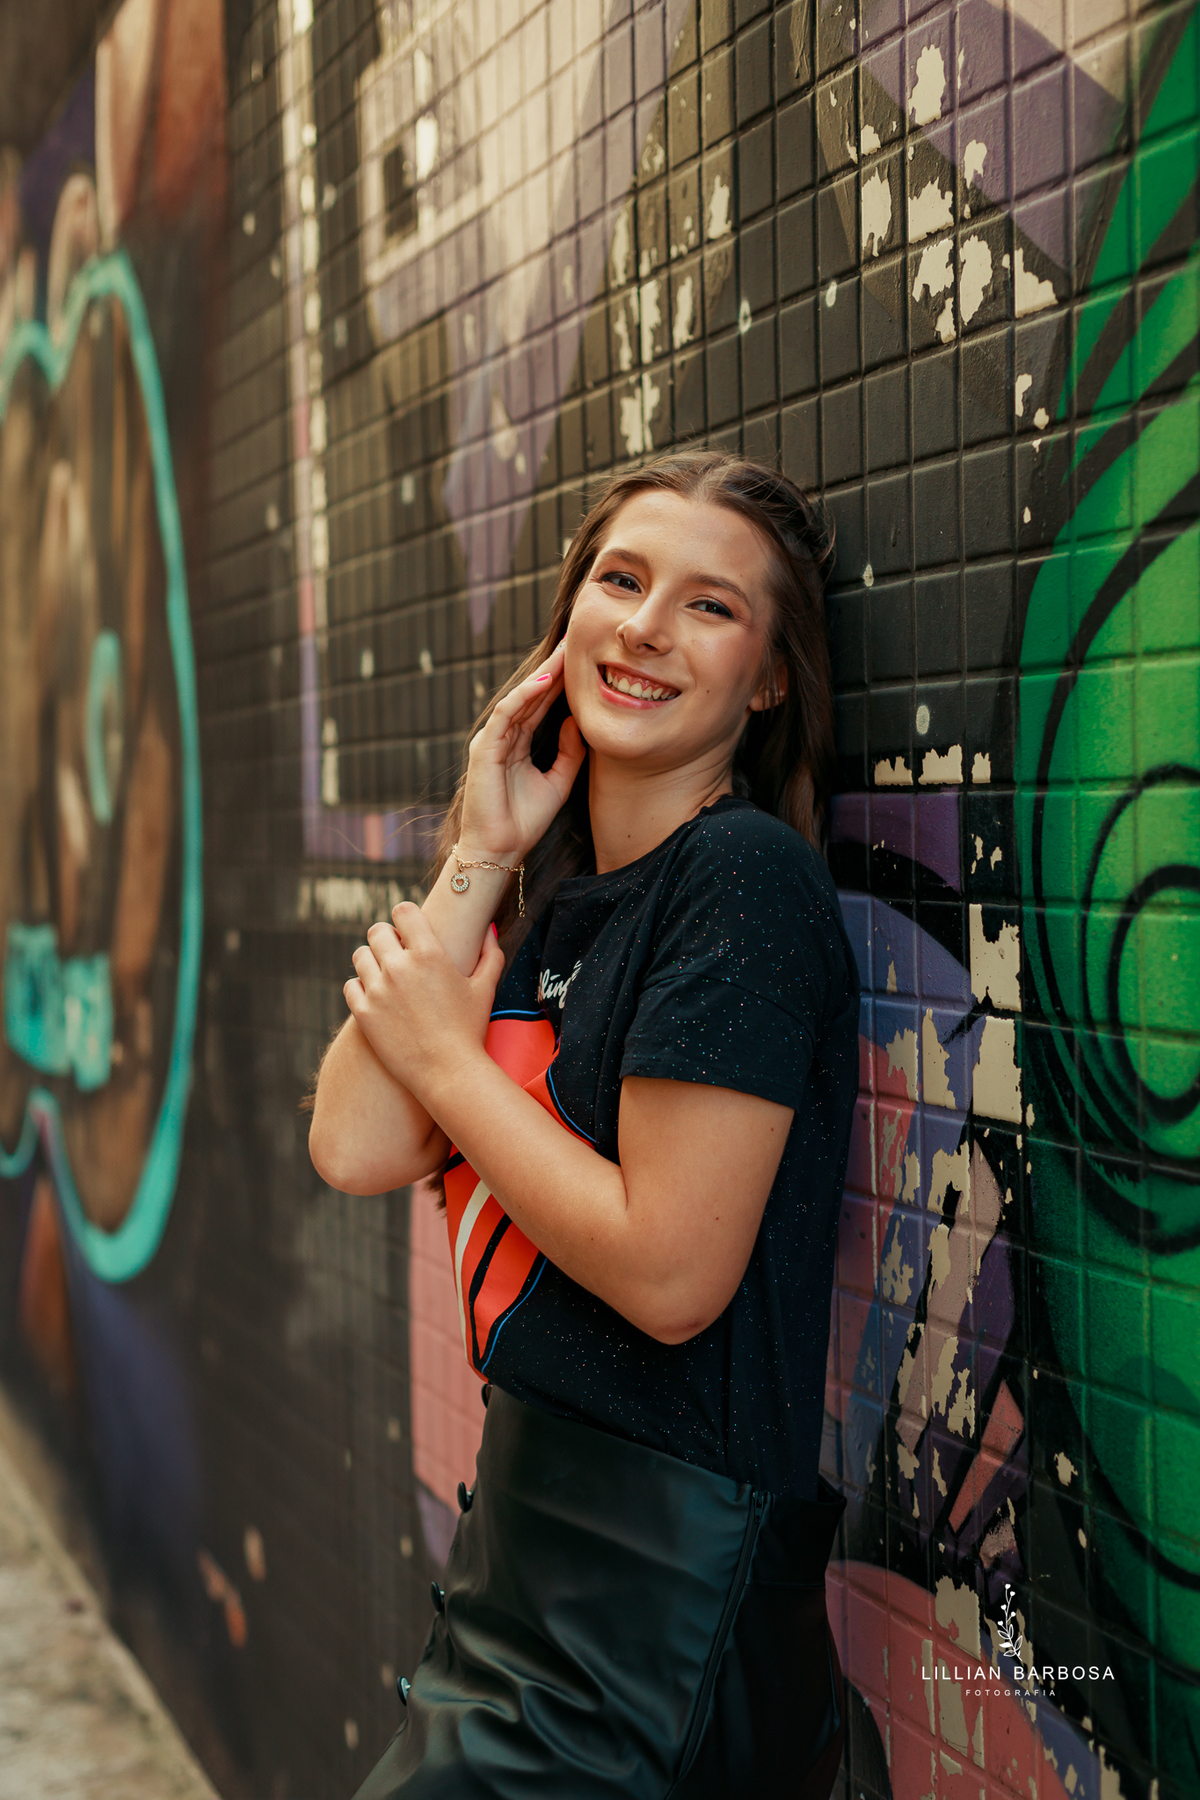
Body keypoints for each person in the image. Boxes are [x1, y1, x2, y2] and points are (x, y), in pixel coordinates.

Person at [309, 452, 861, 1799]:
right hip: (521, 1574)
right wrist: (485, 846)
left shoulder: (740, 884)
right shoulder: (558, 907)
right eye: (621, 579)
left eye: (711, 607)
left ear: (771, 678)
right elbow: (355, 1144)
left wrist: (453, 1065)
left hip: (659, 1610)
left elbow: (671, 1273)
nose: (646, 626)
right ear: (566, 622)